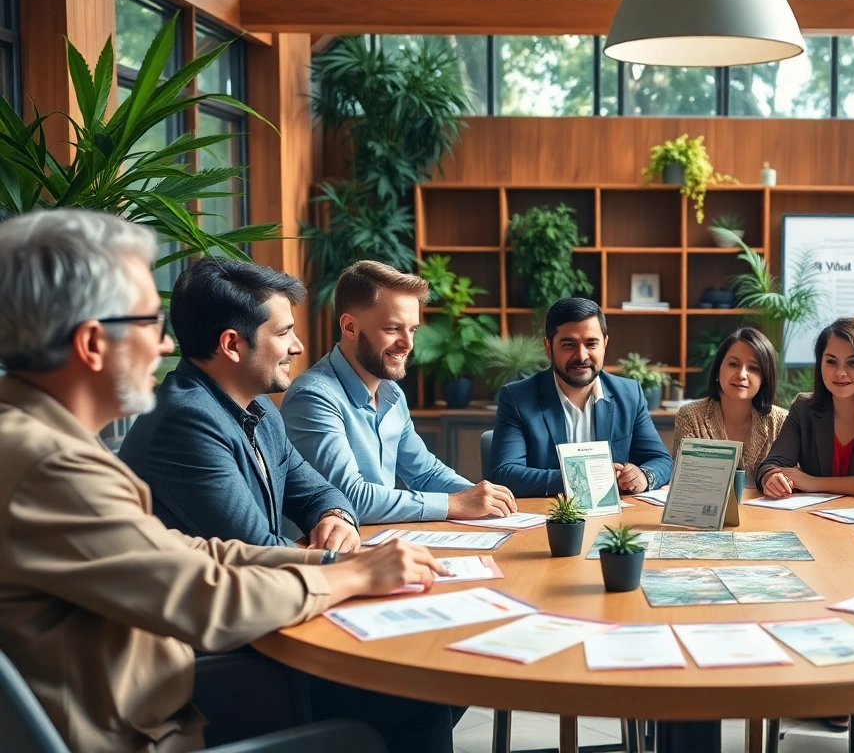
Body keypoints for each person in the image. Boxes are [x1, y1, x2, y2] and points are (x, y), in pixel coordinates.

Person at [0, 209, 458, 752]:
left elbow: (189, 552)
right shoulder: (51, 464)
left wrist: (335, 562)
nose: (165, 346)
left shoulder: (45, 442)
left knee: (425, 688)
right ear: (93, 342)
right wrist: (350, 576)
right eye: (150, 325)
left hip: (161, 688)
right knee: (423, 695)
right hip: (160, 720)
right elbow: (203, 594)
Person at [120, 259, 360, 549]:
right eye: (283, 333)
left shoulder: (260, 408)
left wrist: (336, 518)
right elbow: (255, 549)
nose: (297, 347)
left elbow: (317, 493)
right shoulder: (185, 423)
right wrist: (350, 564)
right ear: (232, 345)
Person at [282, 261, 517, 524]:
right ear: (350, 327)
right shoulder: (313, 398)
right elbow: (348, 500)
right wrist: (455, 503)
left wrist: (484, 499)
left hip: (376, 539)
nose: (408, 344)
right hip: (321, 547)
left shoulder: (391, 393)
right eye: (392, 329)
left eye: (413, 329)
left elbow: (426, 474)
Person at [489, 298, 673, 497]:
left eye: (591, 344)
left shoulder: (629, 394)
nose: (582, 356)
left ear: (605, 344)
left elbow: (662, 461)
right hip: (548, 513)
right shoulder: (517, 398)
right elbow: (504, 474)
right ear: (548, 347)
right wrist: (583, 478)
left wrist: (644, 476)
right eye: (569, 345)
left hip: (616, 514)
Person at [757, 318, 854, 498]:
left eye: (853, 363)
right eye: (831, 362)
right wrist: (771, 478)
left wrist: (815, 483)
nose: (840, 373)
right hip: (810, 514)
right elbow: (771, 465)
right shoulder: (803, 408)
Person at [672, 327, 789, 476]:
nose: (742, 375)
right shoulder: (691, 416)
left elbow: (789, 476)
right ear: (718, 369)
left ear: (765, 378)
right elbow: (685, 477)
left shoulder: (781, 422)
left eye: (753, 368)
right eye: (733, 364)